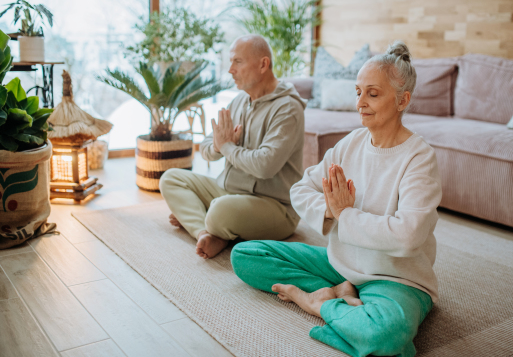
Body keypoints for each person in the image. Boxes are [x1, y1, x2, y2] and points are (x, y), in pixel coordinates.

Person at [231, 40, 442, 357]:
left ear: (403, 100)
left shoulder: (419, 158)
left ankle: (318, 302)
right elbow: (301, 189)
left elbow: (409, 236)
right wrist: (330, 212)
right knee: (247, 255)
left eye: (372, 93)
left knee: (387, 336)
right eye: (358, 92)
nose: (361, 103)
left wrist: (345, 214)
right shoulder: (350, 144)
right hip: (342, 263)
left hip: (395, 277)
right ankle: (338, 293)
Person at [159, 35, 306, 259]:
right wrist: (220, 147)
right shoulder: (239, 101)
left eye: (238, 61)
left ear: (263, 64)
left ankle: (207, 220)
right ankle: (205, 233)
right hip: (229, 192)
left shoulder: (288, 109)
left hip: (274, 207)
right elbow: (208, 147)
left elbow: (265, 166)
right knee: (170, 178)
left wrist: (227, 147)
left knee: (219, 211)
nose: (230, 70)